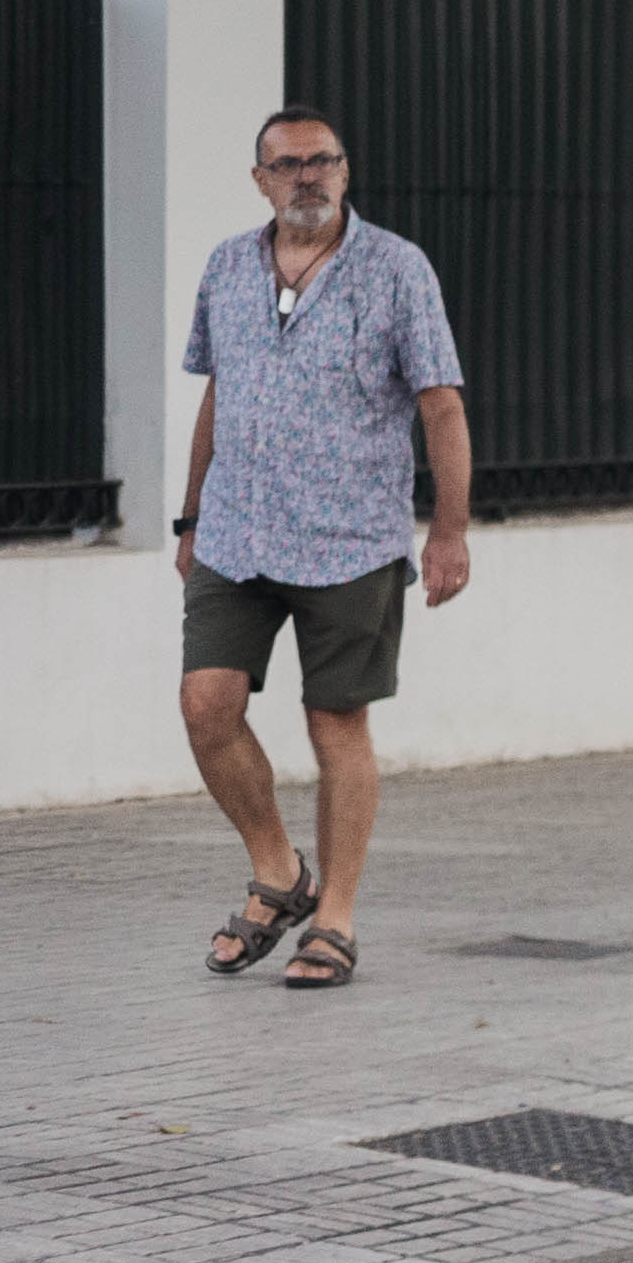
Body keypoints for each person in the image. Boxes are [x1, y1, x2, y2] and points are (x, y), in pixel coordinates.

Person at [176, 105, 470, 990]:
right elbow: (218, 395)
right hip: (236, 529)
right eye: (289, 164)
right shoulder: (228, 265)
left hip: (351, 537)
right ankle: (279, 868)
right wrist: (191, 519)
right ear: (260, 179)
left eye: (324, 161)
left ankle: (333, 914)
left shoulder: (397, 270)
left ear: (346, 171)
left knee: (336, 723)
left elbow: (441, 404)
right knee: (205, 705)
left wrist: (448, 530)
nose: (308, 176)